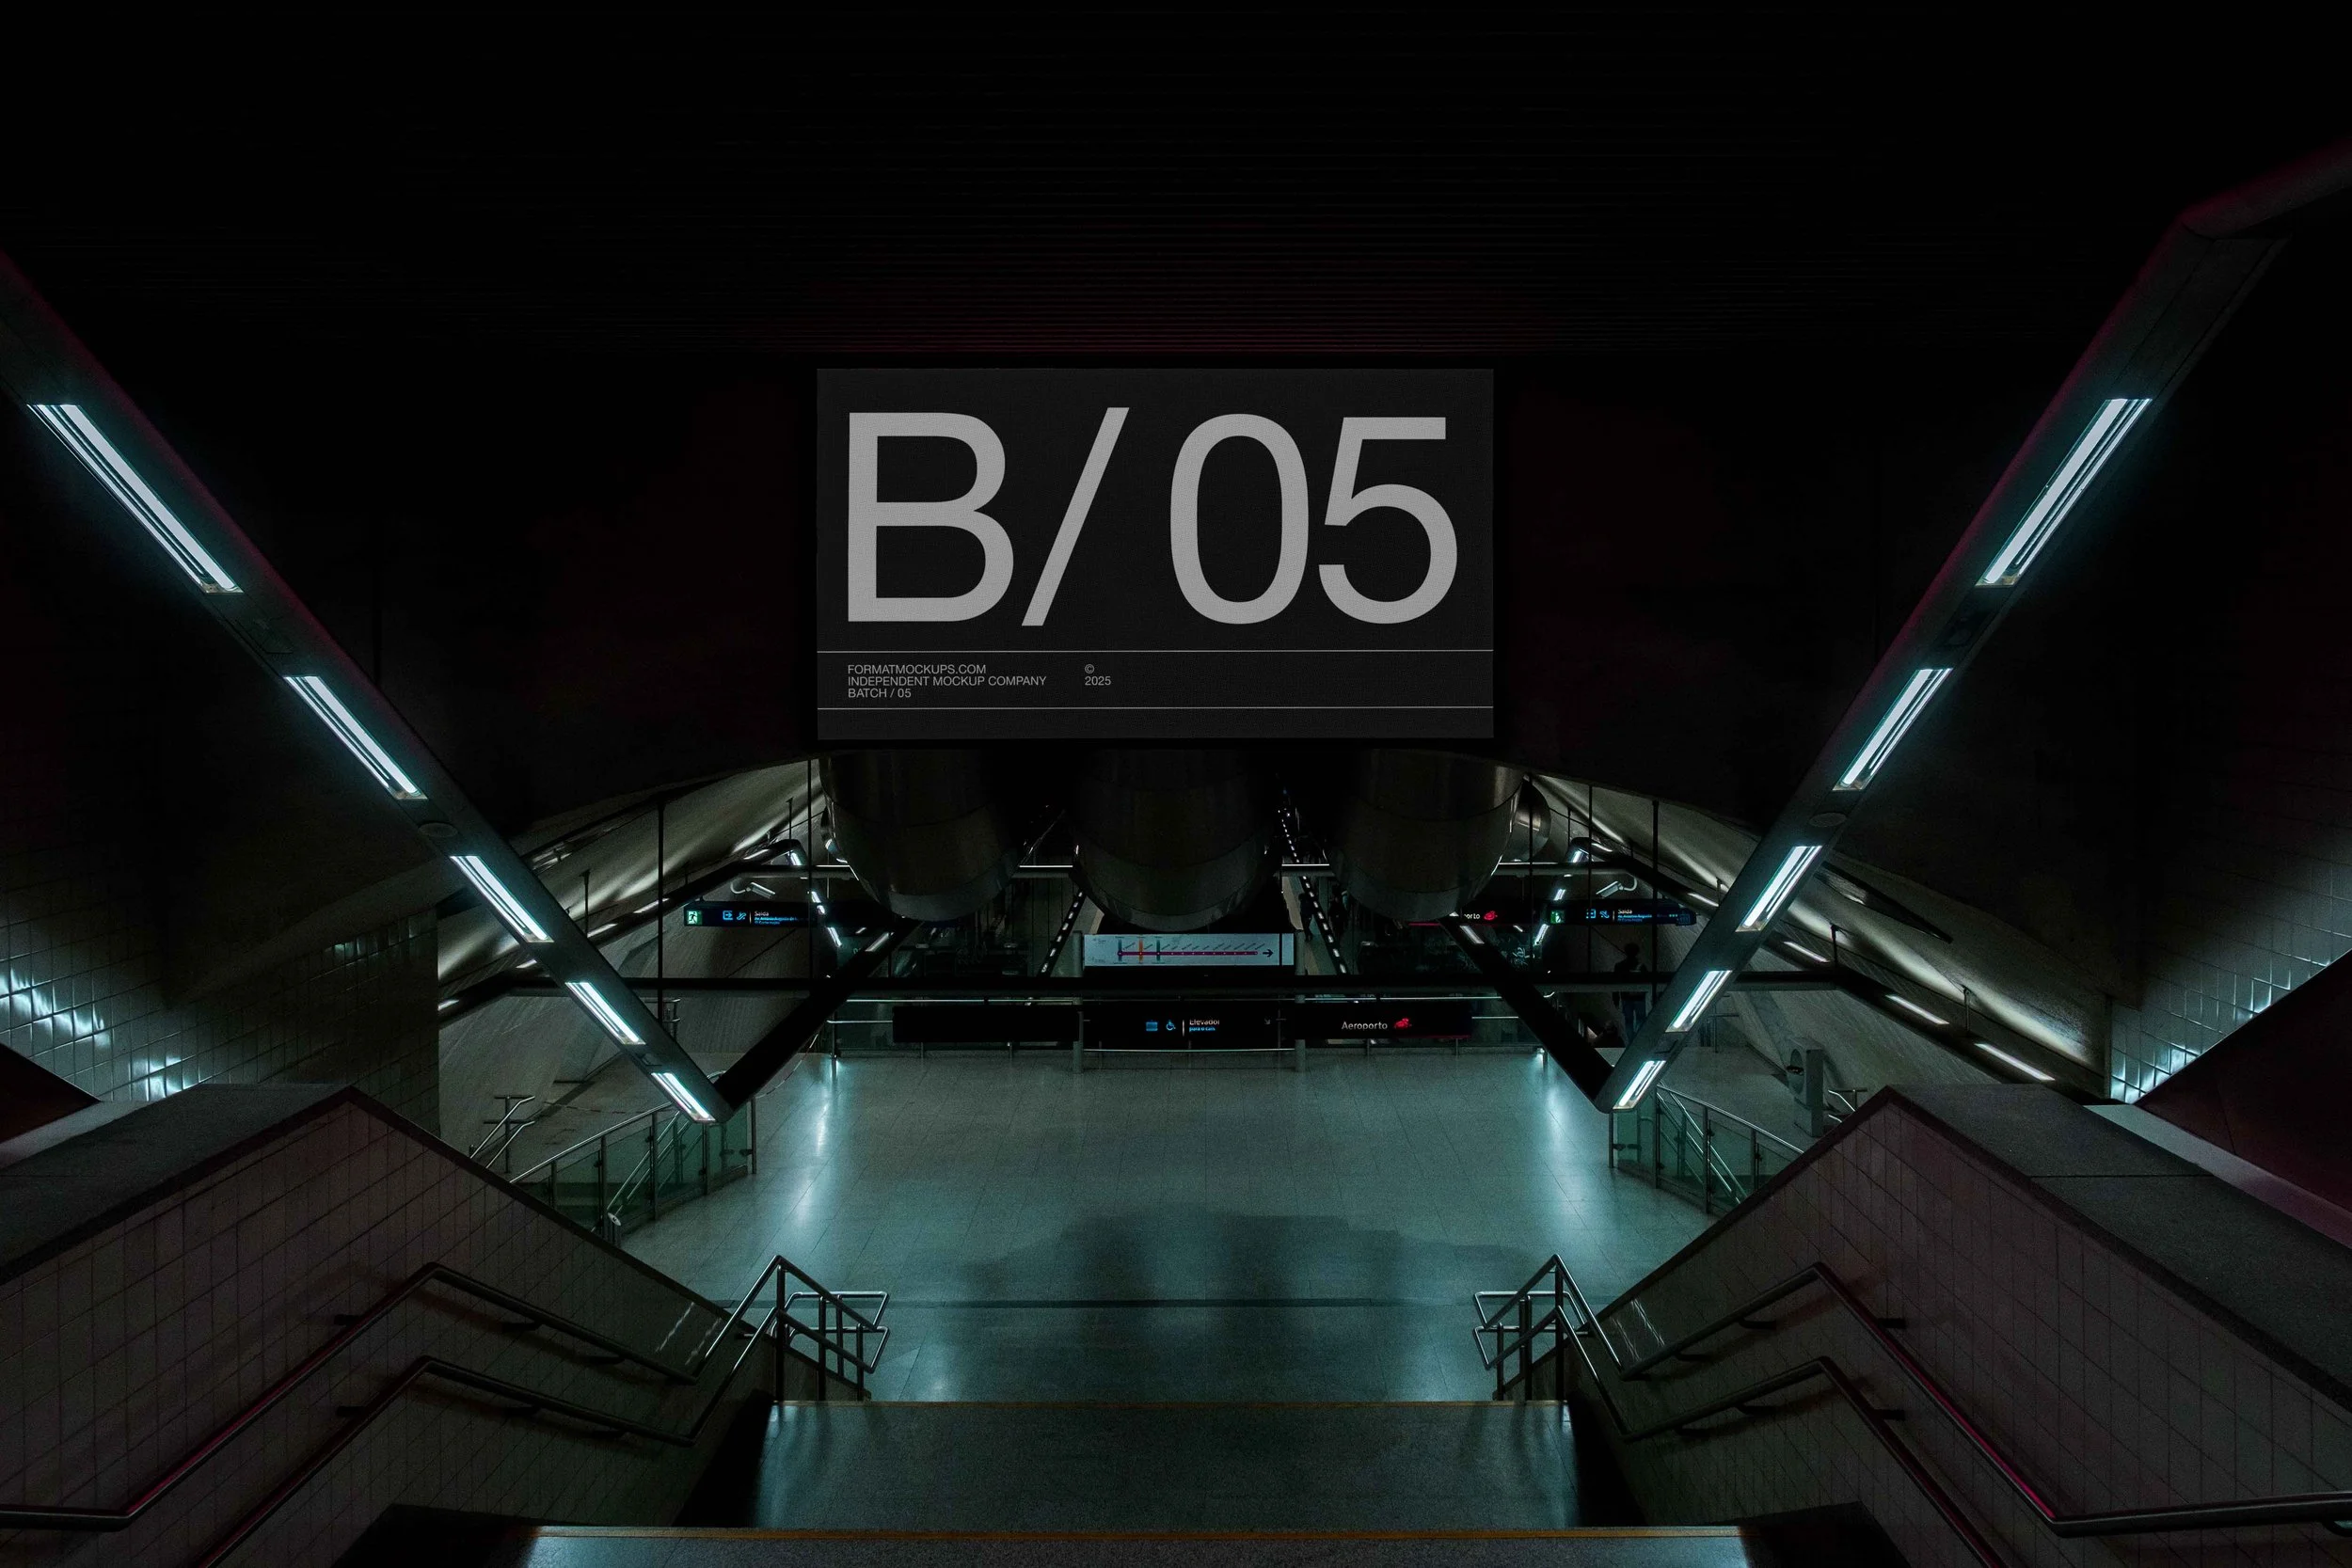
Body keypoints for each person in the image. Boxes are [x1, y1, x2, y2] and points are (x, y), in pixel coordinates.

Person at [1612, 940, 1649, 1038]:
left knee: (1628, 1020)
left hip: (1625, 997)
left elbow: (1615, 983)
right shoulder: (1641, 966)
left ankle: (1631, 1041)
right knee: (1640, 1018)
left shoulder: (1619, 966)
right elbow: (1647, 981)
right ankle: (1638, 1039)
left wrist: (1615, 998)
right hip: (1639, 997)